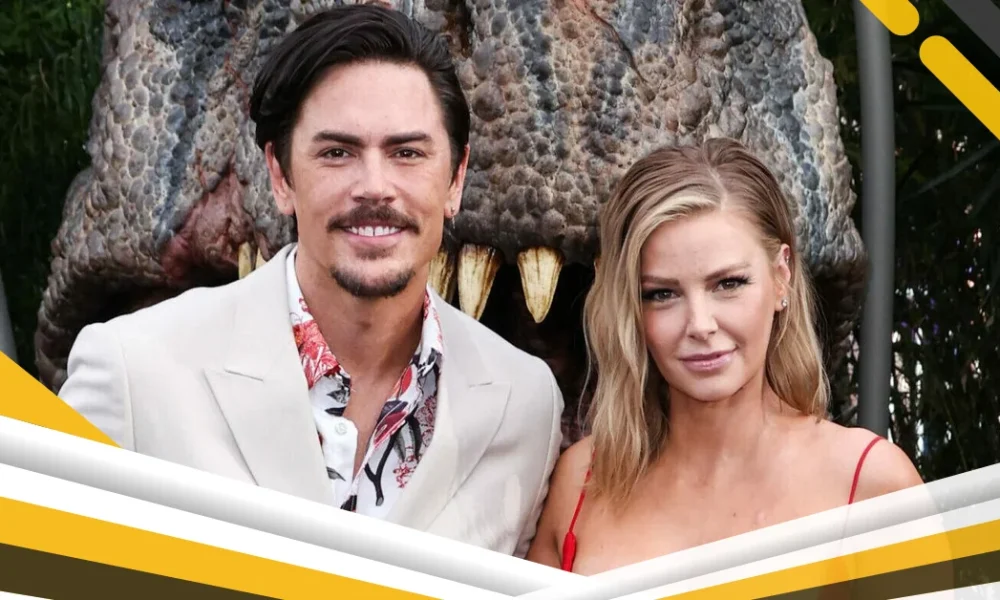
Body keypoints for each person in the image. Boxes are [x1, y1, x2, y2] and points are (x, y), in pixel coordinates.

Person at [58, 4, 563, 558]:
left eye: (407, 153)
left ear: (456, 179)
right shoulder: (133, 369)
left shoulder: (526, 406)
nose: (375, 186)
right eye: (337, 153)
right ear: (280, 176)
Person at [526, 138, 923, 574]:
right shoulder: (581, 481)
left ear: (781, 276)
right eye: (662, 294)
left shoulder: (871, 485)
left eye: (728, 284)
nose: (700, 324)